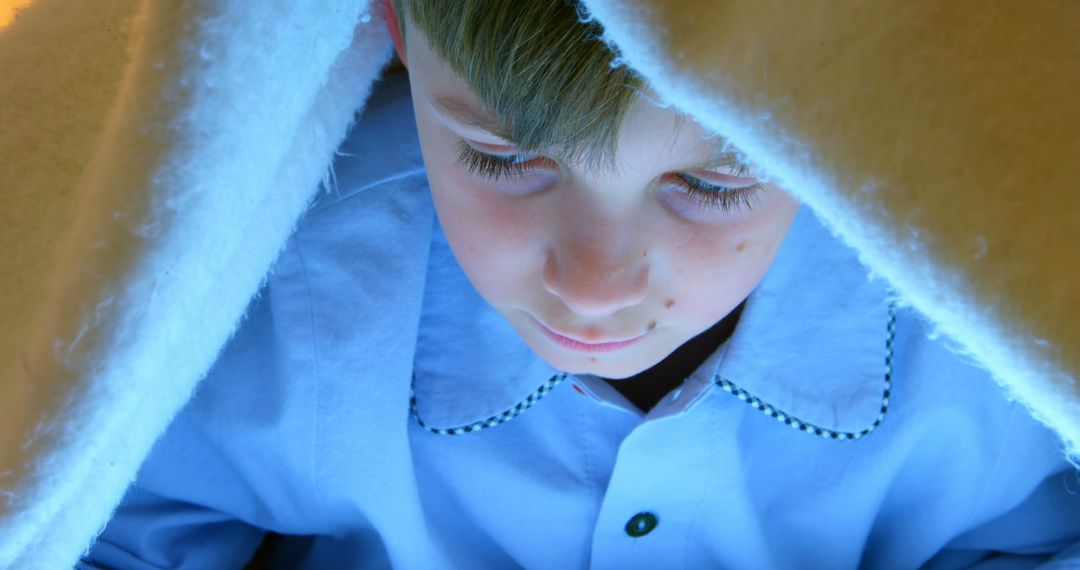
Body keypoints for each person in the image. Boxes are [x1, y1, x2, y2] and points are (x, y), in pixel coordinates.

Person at [81, 1, 1080, 568]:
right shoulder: (276, 292)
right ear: (389, 28)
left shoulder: (984, 331)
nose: (594, 287)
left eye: (709, 182)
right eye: (506, 161)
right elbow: (100, 520)